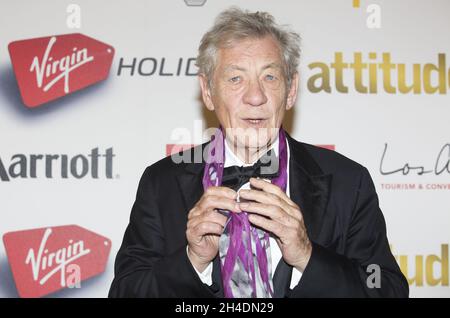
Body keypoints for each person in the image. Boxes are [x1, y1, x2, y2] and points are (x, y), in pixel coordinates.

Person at [109, 7, 408, 298]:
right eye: (236, 78)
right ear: (208, 92)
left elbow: (387, 290)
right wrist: (192, 260)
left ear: (291, 90)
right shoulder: (161, 182)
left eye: (270, 77)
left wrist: (307, 256)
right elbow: (125, 292)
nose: (255, 97)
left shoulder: (348, 182)